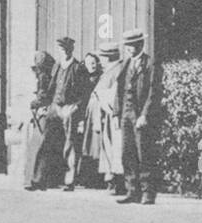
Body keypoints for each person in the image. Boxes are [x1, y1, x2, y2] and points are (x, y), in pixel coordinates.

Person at [115, 29, 159, 204]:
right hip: (126, 114)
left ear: (140, 44)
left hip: (140, 115)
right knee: (127, 153)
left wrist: (144, 115)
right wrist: (118, 113)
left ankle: (148, 192)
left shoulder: (150, 64)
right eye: (127, 45)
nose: (129, 48)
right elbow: (119, 90)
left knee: (144, 153)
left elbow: (154, 92)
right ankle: (132, 190)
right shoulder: (126, 64)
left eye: (132, 45)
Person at [49, 36, 92, 191]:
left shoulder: (78, 68)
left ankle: (70, 178)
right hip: (56, 107)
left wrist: (75, 107)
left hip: (69, 109)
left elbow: (86, 92)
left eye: (65, 49)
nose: (63, 52)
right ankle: (52, 177)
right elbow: (51, 88)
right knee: (53, 141)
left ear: (71, 50)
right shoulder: (57, 66)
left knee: (69, 143)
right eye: (61, 49)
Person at [84, 41, 126, 195]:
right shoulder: (111, 70)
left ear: (108, 57)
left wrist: (100, 98)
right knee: (109, 150)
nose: (100, 60)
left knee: (115, 149)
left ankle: (117, 183)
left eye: (102, 57)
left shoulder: (117, 70)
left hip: (111, 116)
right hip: (105, 116)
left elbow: (114, 94)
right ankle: (113, 181)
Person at [23, 51, 62, 190]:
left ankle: (35, 179)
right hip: (48, 114)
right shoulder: (50, 75)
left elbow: (43, 95)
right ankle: (38, 179)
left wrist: (34, 103)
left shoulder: (43, 77)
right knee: (42, 147)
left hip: (44, 114)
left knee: (38, 147)